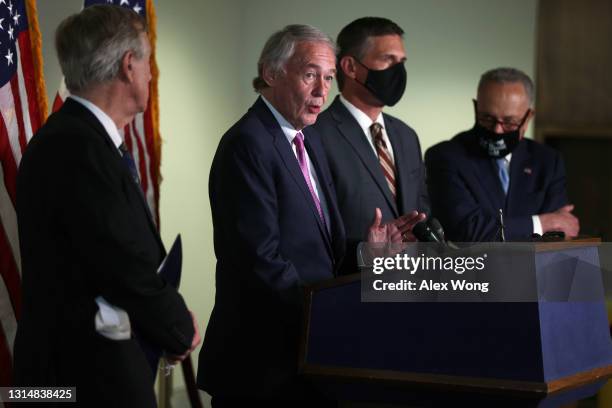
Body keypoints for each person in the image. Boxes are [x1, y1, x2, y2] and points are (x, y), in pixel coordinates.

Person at [197, 24, 400, 406]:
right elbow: (261, 260)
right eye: (310, 75)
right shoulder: (248, 144)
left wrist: (365, 253)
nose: (323, 91)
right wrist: (329, 318)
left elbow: (317, 248)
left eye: (328, 78)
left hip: (305, 362)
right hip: (261, 367)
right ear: (271, 73)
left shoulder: (308, 139)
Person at [14, 5, 199, 406]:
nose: (152, 73)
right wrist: (177, 326)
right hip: (76, 381)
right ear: (129, 66)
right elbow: (122, 264)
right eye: (149, 62)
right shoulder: (77, 147)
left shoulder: (78, 141)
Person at [313, 17, 429, 276]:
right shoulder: (316, 135)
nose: (397, 71)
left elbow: (422, 209)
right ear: (351, 67)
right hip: (349, 290)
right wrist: (366, 255)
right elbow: (314, 232)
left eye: (401, 62)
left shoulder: (407, 136)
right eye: (388, 59)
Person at [425, 67, 579, 242]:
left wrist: (499, 229)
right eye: (487, 118)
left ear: (528, 118)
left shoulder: (548, 161)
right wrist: (541, 223)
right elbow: (467, 230)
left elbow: (560, 233)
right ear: (476, 109)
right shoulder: (445, 157)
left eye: (509, 122)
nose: (497, 130)